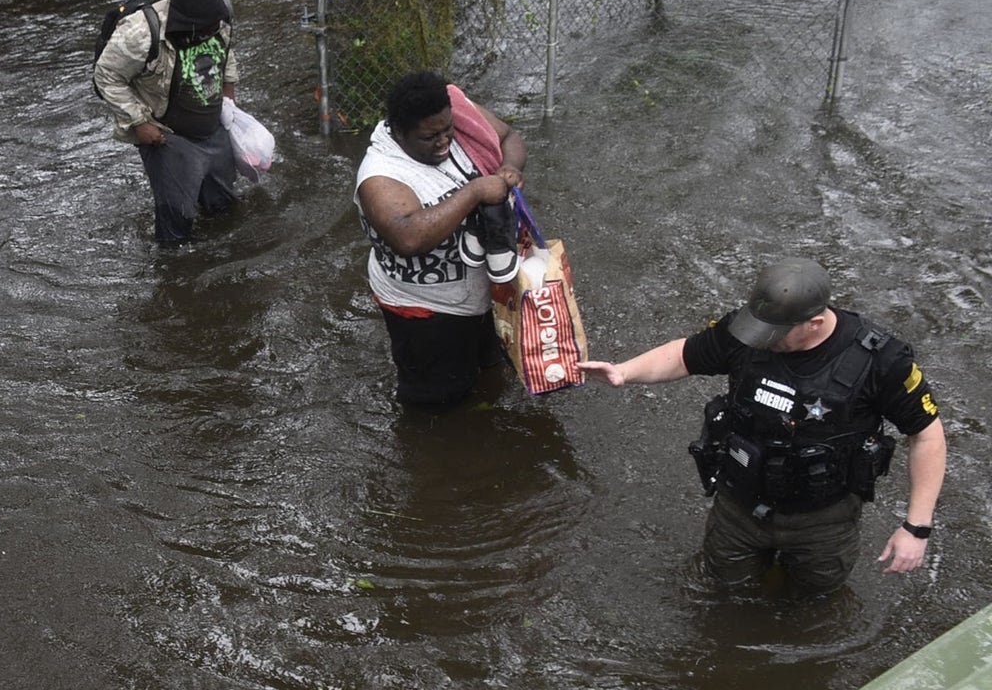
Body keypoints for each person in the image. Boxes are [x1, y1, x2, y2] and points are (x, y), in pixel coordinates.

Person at [580, 257, 946, 596]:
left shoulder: (879, 360)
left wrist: (916, 527)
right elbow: (683, 355)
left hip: (823, 519)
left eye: (775, 334)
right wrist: (623, 372)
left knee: (815, 604)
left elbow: (927, 435)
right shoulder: (749, 331)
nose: (761, 340)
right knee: (721, 592)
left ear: (815, 323)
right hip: (739, 507)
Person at [354, 70, 528, 406]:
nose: (445, 140)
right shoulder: (380, 175)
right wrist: (476, 191)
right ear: (399, 133)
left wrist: (510, 169)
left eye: (447, 130)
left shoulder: (454, 112)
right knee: (436, 402)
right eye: (430, 137)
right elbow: (409, 237)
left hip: (487, 288)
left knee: (493, 368)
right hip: (428, 309)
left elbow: (509, 138)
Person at [92, 0, 241, 247]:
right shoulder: (140, 33)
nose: (212, 32)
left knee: (224, 209)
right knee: (176, 228)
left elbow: (227, 53)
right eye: (204, 31)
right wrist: (138, 122)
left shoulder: (219, 14)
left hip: (214, 126)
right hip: (166, 136)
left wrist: (229, 103)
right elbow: (106, 76)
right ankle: (175, 276)